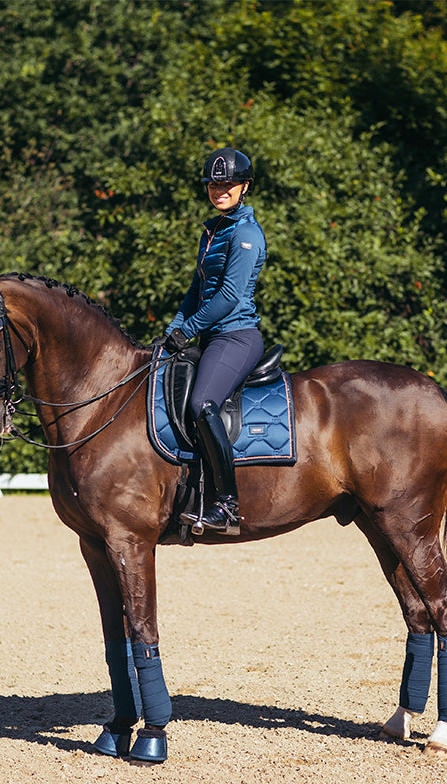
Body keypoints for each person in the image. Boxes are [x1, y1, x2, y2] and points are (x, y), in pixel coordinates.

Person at [161, 147, 267, 535]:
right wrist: (172, 330)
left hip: (237, 336)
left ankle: (227, 505)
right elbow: (195, 291)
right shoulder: (214, 230)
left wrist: (187, 331)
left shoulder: (246, 234)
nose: (219, 189)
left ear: (245, 186)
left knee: (202, 404)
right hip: (210, 335)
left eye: (227, 183)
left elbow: (227, 296)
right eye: (213, 183)